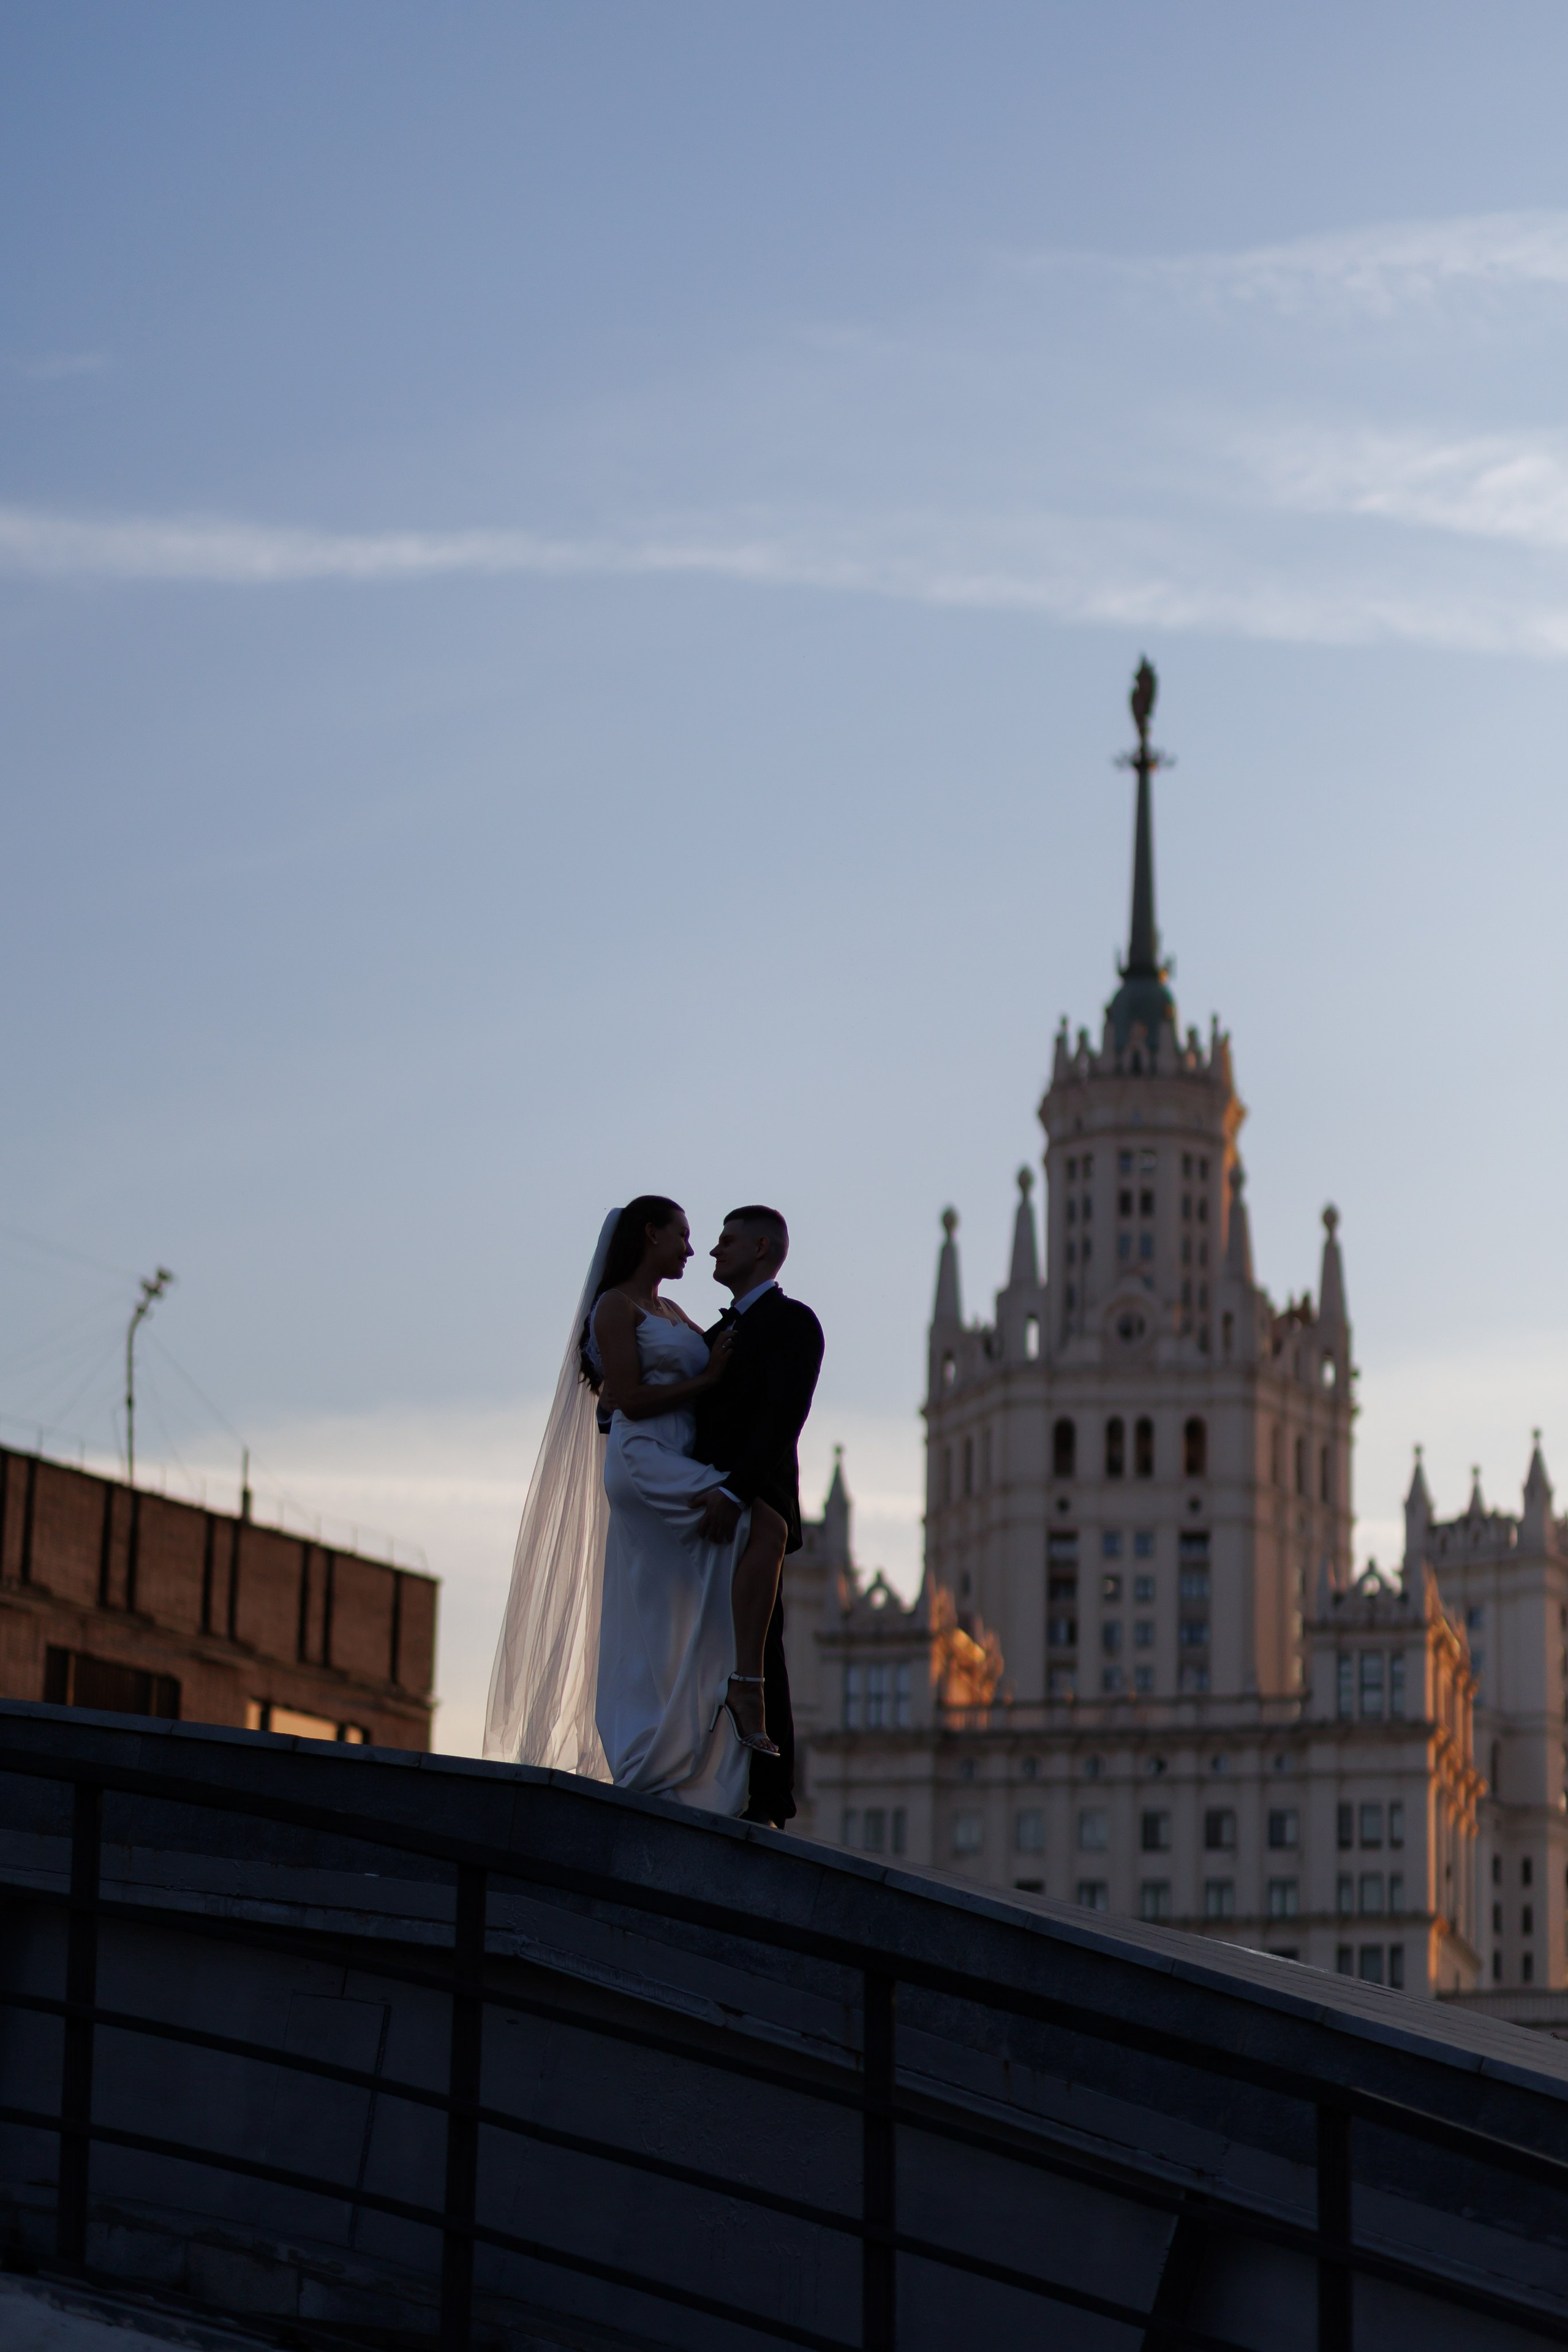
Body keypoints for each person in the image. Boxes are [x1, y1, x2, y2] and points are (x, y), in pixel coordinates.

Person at [482, 1197, 797, 1815]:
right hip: (646, 1460)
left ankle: (684, 1751)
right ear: (648, 1235)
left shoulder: (676, 1312)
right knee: (763, 1528)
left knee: (673, 1606)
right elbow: (623, 1396)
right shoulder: (615, 1307)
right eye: (680, 1235)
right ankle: (737, 1694)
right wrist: (706, 1381)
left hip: (679, 1455)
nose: (692, 1247)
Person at [690, 1206, 825, 1827]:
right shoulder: (714, 1334)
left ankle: (770, 1798)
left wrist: (739, 1493)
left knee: (761, 1650)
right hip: (702, 1511)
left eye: (726, 1241)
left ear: (763, 1248)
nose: (714, 1252)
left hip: (752, 1508)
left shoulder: (793, 1323)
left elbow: (782, 1418)